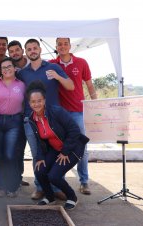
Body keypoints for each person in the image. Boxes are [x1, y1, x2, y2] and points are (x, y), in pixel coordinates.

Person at [18, 38, 74, 200]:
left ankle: (57, 187)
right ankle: (40, 186)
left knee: (57, 152)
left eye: (35, 48)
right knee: (37, 154)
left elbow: (70, 85)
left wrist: (58, 76)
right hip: (31, 120)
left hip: (53, 120)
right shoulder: (23, 73)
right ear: (26, 52)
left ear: (40, 49)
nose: (32, 51)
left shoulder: (53, 67)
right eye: (29, 49)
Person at [26, 80, 89, 210]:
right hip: (55, 149)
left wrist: (65, 151)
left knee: (54, 176)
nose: (36, 104)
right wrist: (40, 157)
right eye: (33, 102)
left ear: (44, 100)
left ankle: (72, 197)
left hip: (72, 148)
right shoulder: (32, 118)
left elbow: (74, 130)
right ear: (29, 103)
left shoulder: (56, 111)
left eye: (39, 100)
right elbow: (40, 140)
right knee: (39, 170)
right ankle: (50, 197)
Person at [49, 37, 98, 195]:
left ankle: (84, 181)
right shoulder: (51, 64)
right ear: (56, 47)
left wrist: (95, 105)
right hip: (59, 114)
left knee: (81, 146)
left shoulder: (82, 62)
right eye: (59, 44)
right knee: (60, 147)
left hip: (78, 111)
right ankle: (60, 181)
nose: (62, 46)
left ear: (70, 46)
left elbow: (90, 85)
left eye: (65, 44)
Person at [0, 57, 25, 197]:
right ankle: (1, 186)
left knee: (11, 155)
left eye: (9, 66)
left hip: (14, 122)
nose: (6, 69)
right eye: (3, 67)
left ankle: (13, 186)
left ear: (14, 68)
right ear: (1, 71)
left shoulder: (21, 85)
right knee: (0, 155)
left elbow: (25, 105)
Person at [7, 40, 30, 186]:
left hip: (30, 113)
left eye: (17, 50)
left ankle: (19, 176)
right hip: (15, 115)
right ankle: (14, 177)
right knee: (13, 148)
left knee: (21, 147)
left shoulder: (32, 66)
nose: (15, 53)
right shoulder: (10, 68)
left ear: (22, 50)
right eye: (12, 51)